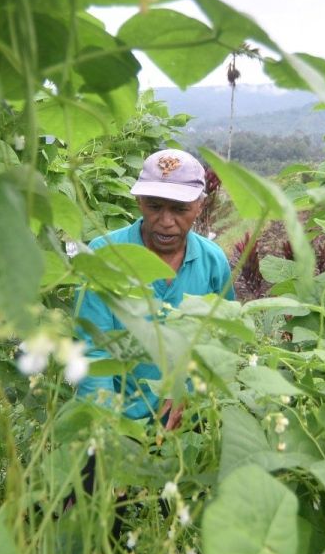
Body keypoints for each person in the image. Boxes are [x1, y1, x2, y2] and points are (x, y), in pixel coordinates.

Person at [74, 148, 234, 429]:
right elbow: (92, 353)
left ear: (200, 205)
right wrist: (110, 432)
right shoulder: (104, 256)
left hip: (188, 425)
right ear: (139, 201)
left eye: (180, 209)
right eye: (155, 206)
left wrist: (192, 392)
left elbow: (223, 343)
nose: (166, 221)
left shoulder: (213, 262)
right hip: (116, 422)